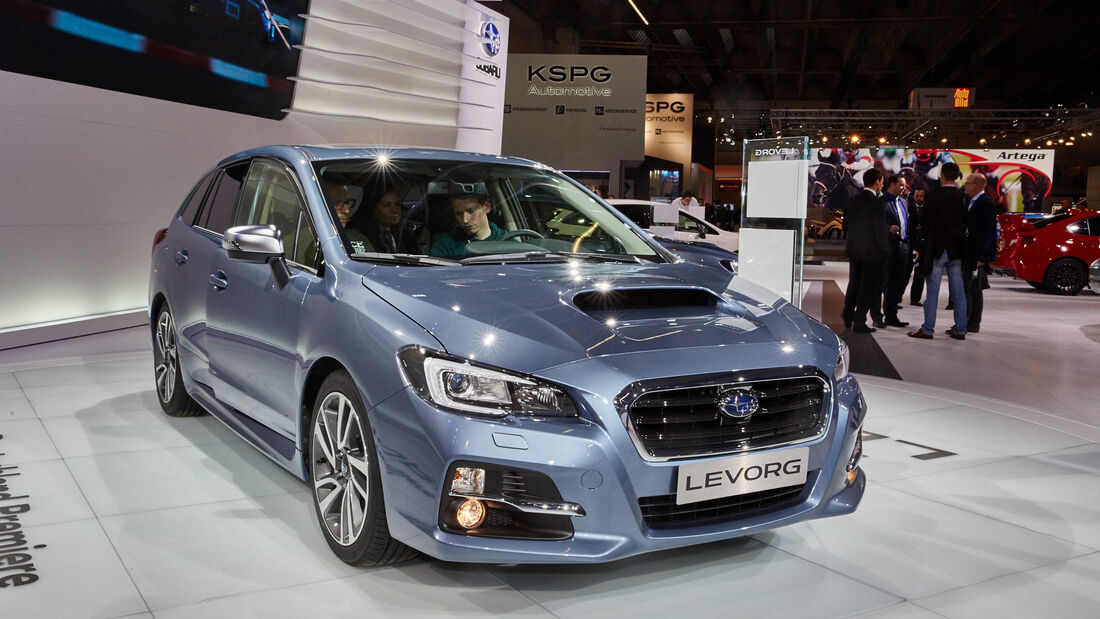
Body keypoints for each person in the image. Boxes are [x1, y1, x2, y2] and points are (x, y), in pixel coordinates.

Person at [909, 162, 968, 340]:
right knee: (958, 293)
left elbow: (925, 225)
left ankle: (928, 329)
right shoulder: (963, 197)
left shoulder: (933, 196)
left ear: (942, 175)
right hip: (956, 249)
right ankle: (960, 329)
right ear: (956, 176)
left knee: (932, 292)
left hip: (935, 249)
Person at [841, 168, 890, 333]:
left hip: (855, 250)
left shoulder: (851, 201)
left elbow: (845, 226)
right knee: (868, 287)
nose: (882, 185)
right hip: (873, 253)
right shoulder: (878, 203)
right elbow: (880, 230)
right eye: (882, 182)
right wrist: (885, 251)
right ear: (877, 181)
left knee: (854, 284)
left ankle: (847, 315)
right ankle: (859, 321)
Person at [962, 173, 997, 334]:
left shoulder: (985, 203)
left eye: (968, 183)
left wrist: (979, 257)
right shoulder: (975, 202)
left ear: (977, 185)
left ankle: (969, 322)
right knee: (973, 288)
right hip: (971, 253)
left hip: (975, 255)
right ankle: (970, 322)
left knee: (970, 289)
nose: (965, 185)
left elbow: (985, 233)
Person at [430, 181, 505, 256]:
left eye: (471, 211)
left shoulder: (508, 242)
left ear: (486, 206)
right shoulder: (445, 246)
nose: (465, 220)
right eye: (459, 213)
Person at [882, 175, 913, 327]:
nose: (903, 188)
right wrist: (887, 229)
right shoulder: (881, 202)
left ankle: (891, 316)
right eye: (901, 185)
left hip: (902, 248)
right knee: (882, 283)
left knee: (896, 284)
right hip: (887, 247)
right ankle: (876, 315)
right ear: (892, 184)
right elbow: (875, 224)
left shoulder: (904, 202)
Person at [352, 187, 418, 254]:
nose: (395, 210)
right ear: (373, 209)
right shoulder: (360, 236)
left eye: (397, 204)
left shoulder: (406, 236)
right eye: (386, 205)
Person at [327, 183, 374, 253]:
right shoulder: (306, 239)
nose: (347, 210)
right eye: (336, 203)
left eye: (347, 202)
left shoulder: (360, 239)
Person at [907, 187, 927, 305]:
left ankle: (915, 298)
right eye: (917, 196)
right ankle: (898, 296)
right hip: (910, 244)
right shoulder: (908, 207)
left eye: (921, 196)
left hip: (923, 246)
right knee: (905, 272)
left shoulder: (928, 210)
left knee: (920, 273)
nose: (919, 198)